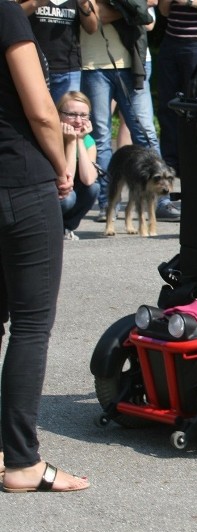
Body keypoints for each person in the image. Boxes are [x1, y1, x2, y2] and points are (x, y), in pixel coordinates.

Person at [0, 0, 89, 492]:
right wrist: (61, 165)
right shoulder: (8, 13)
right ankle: (22, 462)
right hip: (19, 181)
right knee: (32, 326)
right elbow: (40, 110)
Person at [80, 1, 179, 222]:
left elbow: (149, 19)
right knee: (101, 137)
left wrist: (111, 10)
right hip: (93, 63)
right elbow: (93, 20)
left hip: (135, 61)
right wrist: (127, 10)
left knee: (145, 134)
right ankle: (108, 204)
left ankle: (160, 200)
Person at [157, 0, 197, 176]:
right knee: (167, 105)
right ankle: (171, 162)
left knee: (196, 105)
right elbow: (164, 12)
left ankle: (196, 159)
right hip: (171, 41)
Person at [17, 0, 98, 102]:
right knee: (35, 114)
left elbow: (92, 28)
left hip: (68, 69)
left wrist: (84, 5)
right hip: (34, 66)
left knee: (68, 114)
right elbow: (10, 15)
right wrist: (36, 3)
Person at [57, 91, 99, 240]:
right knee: (69, 197)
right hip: (56, 192)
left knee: (93, 188)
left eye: (83, 115)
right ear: (59, 114)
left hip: (69, 191)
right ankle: (53, 228)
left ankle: (66, 228)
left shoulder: (88, 141)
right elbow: (65, 179)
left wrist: (79, 141)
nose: (78, 121)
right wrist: (70, 141)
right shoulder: (52, 137)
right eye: (72, 114)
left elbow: (88, 179)